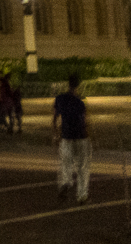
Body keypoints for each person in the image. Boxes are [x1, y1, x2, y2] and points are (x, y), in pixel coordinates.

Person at [53, 72, 90, 205]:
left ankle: (66, 183)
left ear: (68, 83)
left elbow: (55, 119)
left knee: (65, 164)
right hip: (80, 137)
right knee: (82, 168)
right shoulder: (80, 102)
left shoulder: (60, 99)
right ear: (78, 85)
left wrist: (56, 135)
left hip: (66, 136)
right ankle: (82, 196)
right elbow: (85, 122)